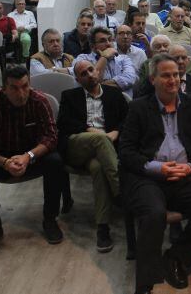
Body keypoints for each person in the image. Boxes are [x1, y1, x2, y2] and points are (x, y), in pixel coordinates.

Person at [120, 54, 191, 293]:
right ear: (152, 78)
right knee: (154, 214)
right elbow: (126, 152)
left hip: (184, 174)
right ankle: (144, 285)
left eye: (176, 74)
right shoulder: (138, 108)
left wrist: (190, 167)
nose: (172, 80)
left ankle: (177, 257)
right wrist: (158, 168)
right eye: (166, 75)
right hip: (148, 177)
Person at [0, 65, 65, 253]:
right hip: (2, 160)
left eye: (25, 86)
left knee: (55, 161)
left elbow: (51, 137)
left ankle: (50, 219)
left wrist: (28, 156)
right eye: (14, 88)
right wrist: (5, 162)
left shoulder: (39, 101)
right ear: (4, 88)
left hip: (31, 157)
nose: (21, 93)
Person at [57, 59, 128, 252]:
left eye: (91, 69)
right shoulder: (69, 96)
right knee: (100, 140)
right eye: (83, 73)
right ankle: (120, 191)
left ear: (97, 71)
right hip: (77, 145)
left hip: (105, 149)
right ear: (78, 79)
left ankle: (102, 227)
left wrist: (116, 132)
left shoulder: (114, 94)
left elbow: (127, 119)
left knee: (98, 167)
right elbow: (63, 123)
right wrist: (90, 129)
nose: (89, 74)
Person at [74, 27, 137, 97]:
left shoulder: (124, 58)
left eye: (110, 40)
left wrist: (98, 85)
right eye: (102, 41)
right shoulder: (83, 59)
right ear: (92, 46)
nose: (108, 44)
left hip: (124, 102)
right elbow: (90, 82)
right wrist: (104, 57)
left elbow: (130, 79)